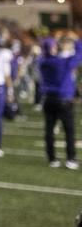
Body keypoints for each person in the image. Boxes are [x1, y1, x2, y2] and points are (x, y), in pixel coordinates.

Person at [38, 34, 82, 169]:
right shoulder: (62, 62)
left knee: (49, 130)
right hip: (63, 100)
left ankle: (52, 159)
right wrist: (76, 39)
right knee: (69, 131)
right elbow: (80, 53)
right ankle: (70, 159)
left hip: (48, 99)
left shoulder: (42, 61)